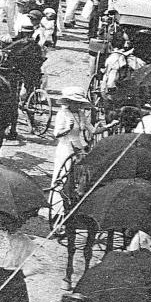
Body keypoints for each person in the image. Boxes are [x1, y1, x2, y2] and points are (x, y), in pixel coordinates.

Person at [49, 88, 90, 221]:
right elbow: (56, 134)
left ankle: (74, 207)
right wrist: (67, 129)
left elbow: (93, 129)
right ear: (68, 102)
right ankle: (58, 212)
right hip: (66, 148)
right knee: (63, 178)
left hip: (79, 148)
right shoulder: (62, 114)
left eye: (78, 103)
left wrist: (110, 126)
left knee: (80, 178)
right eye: (74, 102)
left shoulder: (81, 114)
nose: (76, 105)